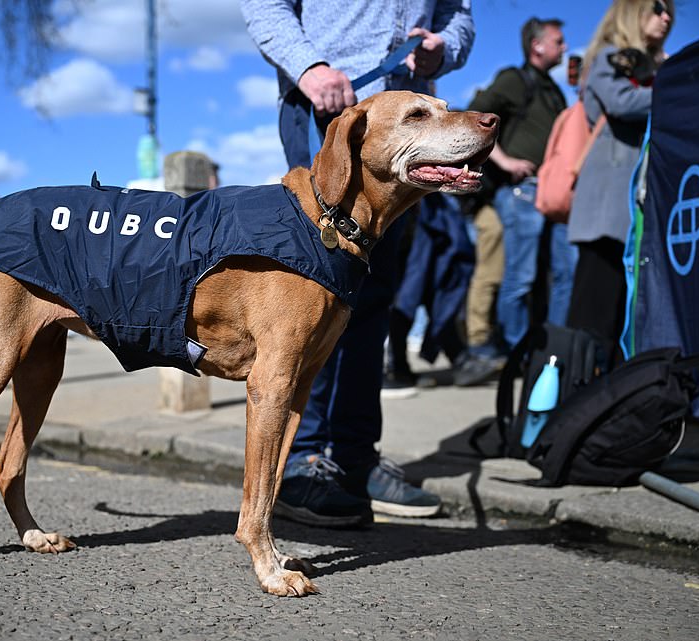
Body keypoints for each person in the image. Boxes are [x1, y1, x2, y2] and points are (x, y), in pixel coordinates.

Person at [241, 0, 474, 527]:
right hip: (327, 103)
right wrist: (308, 66)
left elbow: (459, 14)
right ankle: (301, 459)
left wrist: (445, 47)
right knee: (315, 293)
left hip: (405, 119)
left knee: (372, 296)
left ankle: (353, 455)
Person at [456, 18, 573, 386]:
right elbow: (474, 115)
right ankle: (515, 353)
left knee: (556, 275)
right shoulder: (513, 78)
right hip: (520, 193)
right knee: (518, 278)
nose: (565, 47)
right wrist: (504, 161)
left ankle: (549, 351)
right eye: (558, 41)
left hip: (549, 192)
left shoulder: (552, 90)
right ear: (537, 45)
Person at [567, 0, 674, 366]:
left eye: (669, 11)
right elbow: (621, 102)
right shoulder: (609, 57)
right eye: (657, 7)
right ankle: (574, 404)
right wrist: (675, 87)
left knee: (618, 320)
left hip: (633, 209)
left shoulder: (656, 68)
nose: (667, 17)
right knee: (592, 319)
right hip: (606, 209)